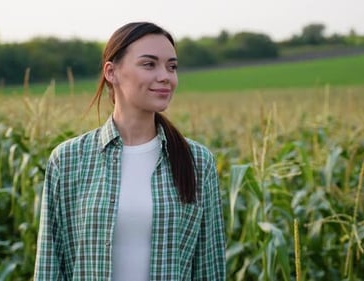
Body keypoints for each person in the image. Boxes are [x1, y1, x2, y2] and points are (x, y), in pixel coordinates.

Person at [33, 21, 226, 280]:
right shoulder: (68, 160)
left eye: (172, 66)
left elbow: (209, 268)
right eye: (149, 64)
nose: (165, 76)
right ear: (111, 72)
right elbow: (50, 266)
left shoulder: (198, 162)